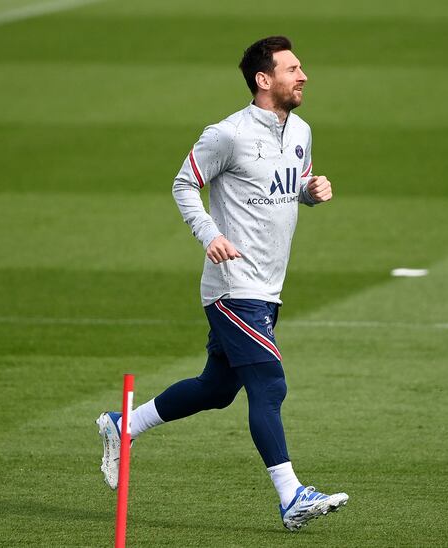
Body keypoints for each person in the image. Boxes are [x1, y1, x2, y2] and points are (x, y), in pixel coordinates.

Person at [96, 36, 348, 531]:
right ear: (263, 79)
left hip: (268, 288)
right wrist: (210, 234)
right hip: (233, 288)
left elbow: (289, 185)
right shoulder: (226, 134)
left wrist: (312, 192)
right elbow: (184, 183)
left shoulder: (301, 131)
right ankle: (290, 496)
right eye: (292, 69)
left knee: (217, 387)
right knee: (269, 385)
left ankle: (124, 425)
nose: (303, 76)